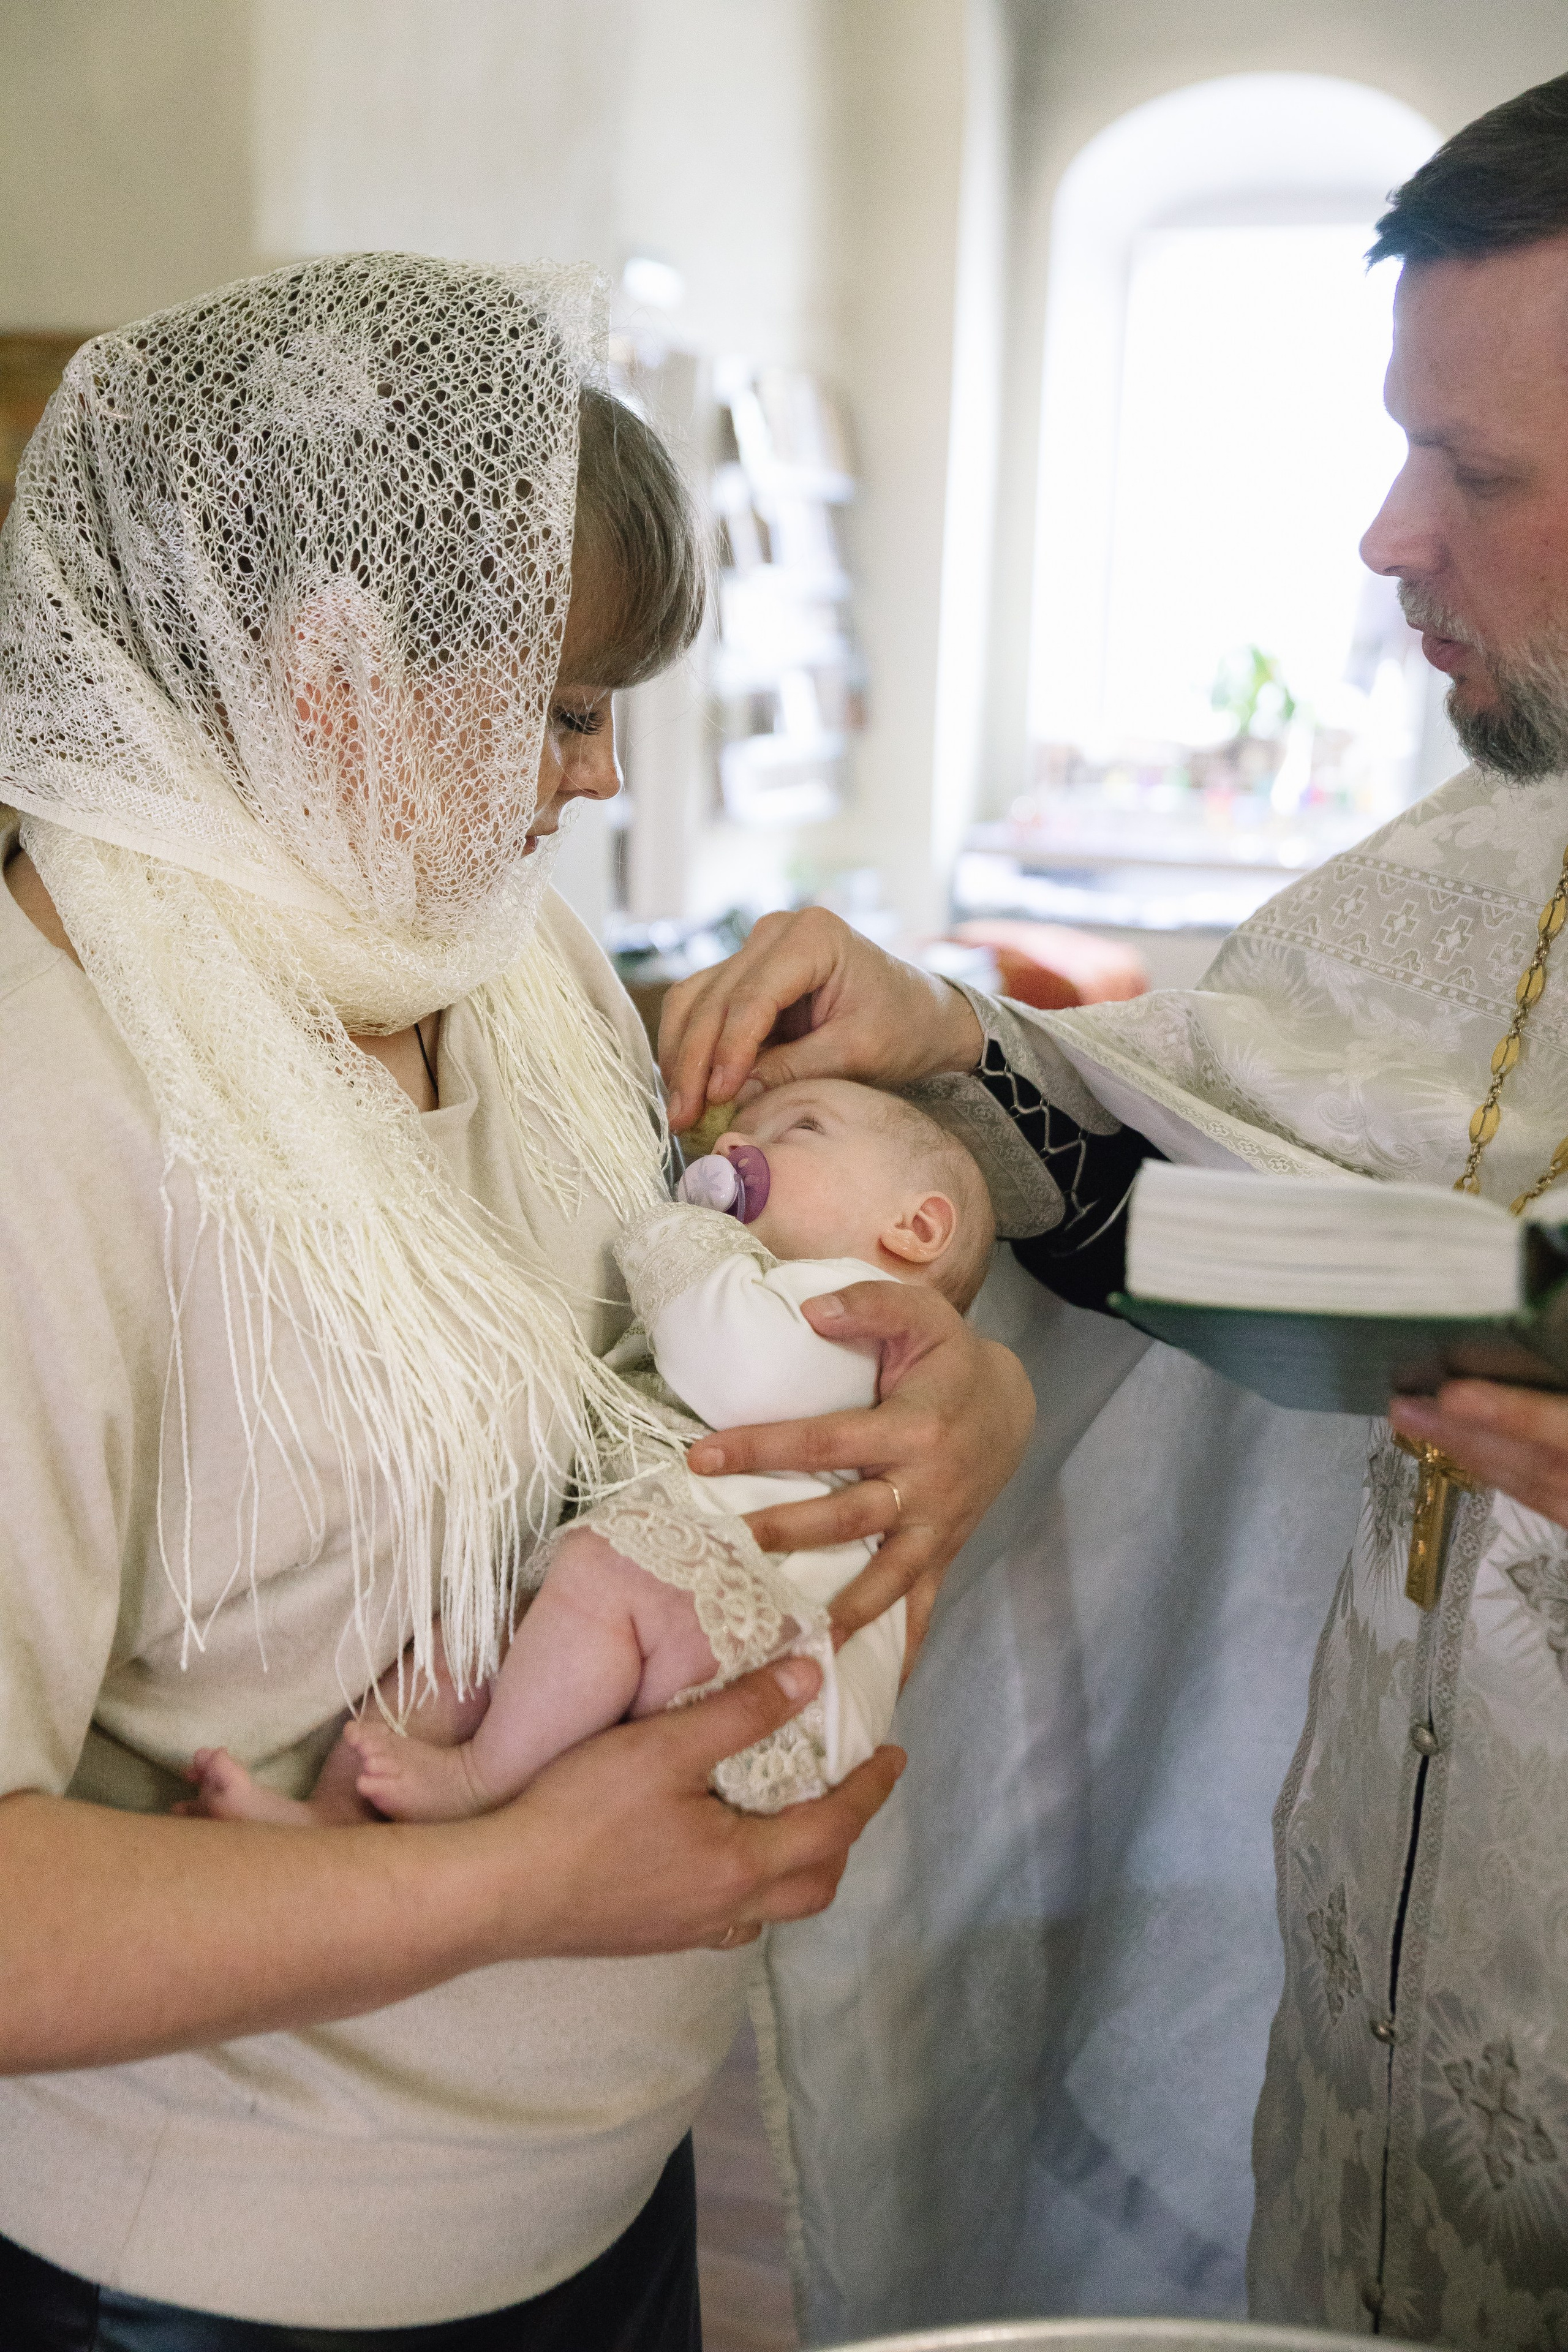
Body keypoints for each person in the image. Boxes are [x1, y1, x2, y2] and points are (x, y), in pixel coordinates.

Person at [0, 254, 1034, 2348]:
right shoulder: (53, 1097)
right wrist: (524, 1878)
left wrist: (953, 1395)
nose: (606, 782)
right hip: (237, 2272)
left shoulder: (505, 965)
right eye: (566, 709)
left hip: (600, 2178)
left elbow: (687, 1337)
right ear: (329, 669)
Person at [654, 75, 1568, 2347]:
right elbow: (1204, 1227)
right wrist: (950, 1039)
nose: (1386, 536)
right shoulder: (1476, 879)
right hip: (1393, 2051)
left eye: (1480, 473)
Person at [182, 1079, 996, 1830]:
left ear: (914, 1227)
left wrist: (683, 1230)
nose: (741, 1142)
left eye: (803, 1128)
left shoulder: (872, 1327)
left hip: (770, 1658)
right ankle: (332, 1820)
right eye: (745, 1127)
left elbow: (743, 1369)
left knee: (602, 1574)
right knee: (465, 1639)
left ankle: (479, 1781)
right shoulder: (765, 1288)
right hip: (652, 1613)